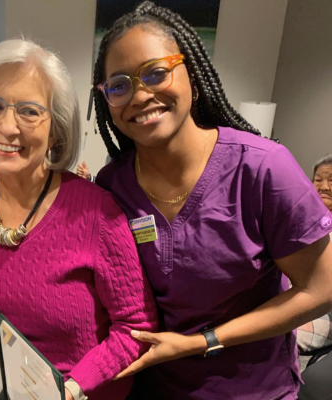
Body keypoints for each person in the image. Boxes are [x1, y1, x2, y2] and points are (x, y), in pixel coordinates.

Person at [91, 2, 332, 399]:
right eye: (119, 85)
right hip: (153, 387)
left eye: (156, 72)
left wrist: (204, 341)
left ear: (194, 77)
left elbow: (320, 289)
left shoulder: (261, 169)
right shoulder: (112, 184)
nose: (141, 94)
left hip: (252, 390)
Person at [0, 39, 158, 400]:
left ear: (56, 129)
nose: (8, 127)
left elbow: (136, 328)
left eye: (29, 111)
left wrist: (71, 388)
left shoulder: (95, 212)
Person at [297, 154, 332, 400]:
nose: (324, 186)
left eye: (331, 180)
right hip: (295, 298)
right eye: (318, 179)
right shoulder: (302, 220)